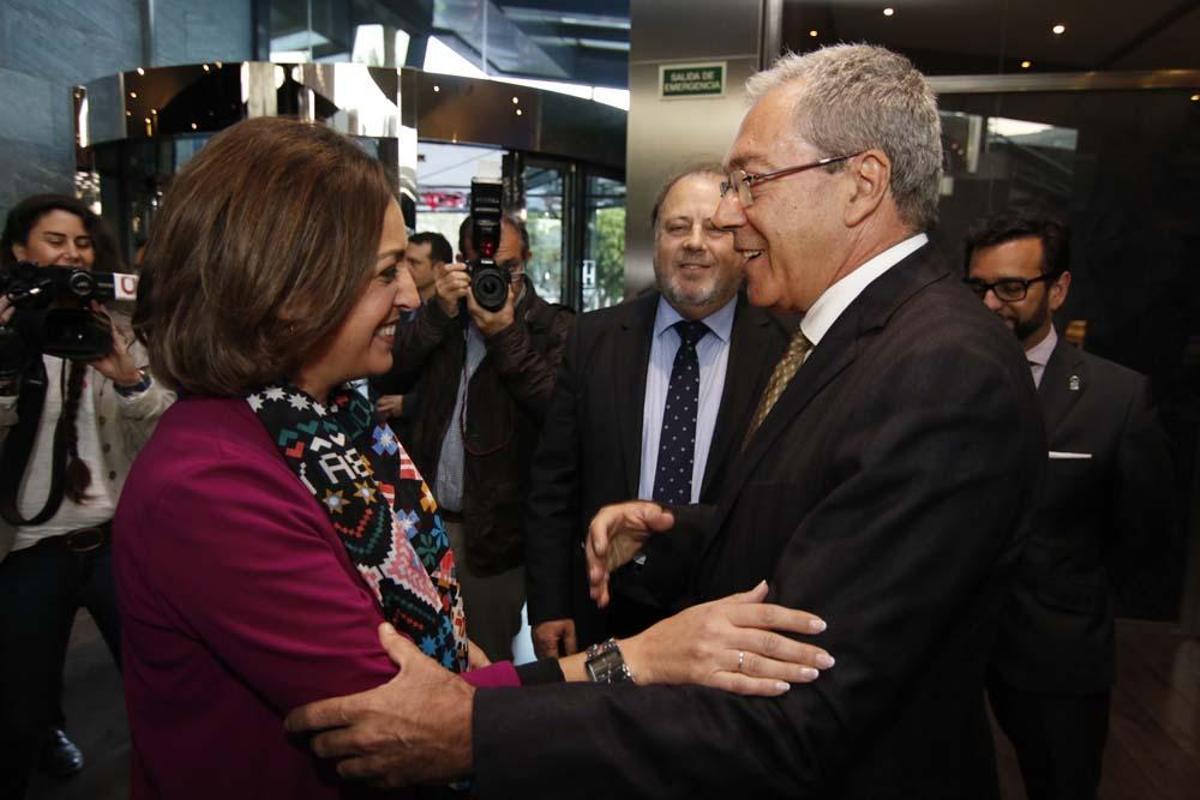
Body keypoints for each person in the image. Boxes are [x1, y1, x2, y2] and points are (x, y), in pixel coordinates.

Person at [286, 44, 1047, 799]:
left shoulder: (942, 371)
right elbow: (821, 517)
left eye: (753, 181)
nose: (732, 213)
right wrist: (677, 531)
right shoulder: (866, 340)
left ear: (861, 184)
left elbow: (802, 709)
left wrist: (472, 731)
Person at [115, 116, 836, 799]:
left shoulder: (328, 422)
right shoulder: (211, 483)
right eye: (386, 271)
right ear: (288, 286)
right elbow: (401, 718)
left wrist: (475, 663)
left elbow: (442, 668)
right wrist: (642, 660)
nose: (410, 295)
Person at [525, 166, 789, 657]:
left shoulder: (786, 352)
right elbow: (552, 488)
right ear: (655, 241)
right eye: (676, 227)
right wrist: (548, 603)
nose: (694, 243)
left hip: (729, 618)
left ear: (744, 242)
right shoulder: (593, 339)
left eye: (715, 228)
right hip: (602, 610)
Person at [964, 211, 1175, 800]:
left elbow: (1145, 533)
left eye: (1011, 287)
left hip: (1055, 651)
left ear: (1057, 289)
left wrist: (1074, 593)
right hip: (947, 645)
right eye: (978, 287)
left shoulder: (1117, 398)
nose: (990, 305)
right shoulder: (936, 374)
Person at [0, 194, 173, 798]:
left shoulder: (121, 327)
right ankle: (43, 736)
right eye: (55, 241)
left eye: (81, 242)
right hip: (27, 546)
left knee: (157, 682)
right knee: (20, 700)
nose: (71, 253)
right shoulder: (7, 332)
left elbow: (166, 433)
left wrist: (129, 377)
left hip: (116, 537)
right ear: (20, 252)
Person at [372, 210, 574, 662]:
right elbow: (389, 367)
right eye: (480, 266)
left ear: (526, 260)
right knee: (412, 656)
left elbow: (556, 412)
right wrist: (436, 313)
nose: (493, 278)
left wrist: (505, 335)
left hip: (495, 538)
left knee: (484, 669)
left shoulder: (553, 327)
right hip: (421, 524)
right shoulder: (445, 316)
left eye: (506, 269)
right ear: (461, 263)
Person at [373, 231, 451, 430]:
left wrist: (411, 403)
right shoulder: (396, 309)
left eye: (414, 263)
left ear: (439, 269)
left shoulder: (451, 316)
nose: (405, 269)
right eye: (403, 261)